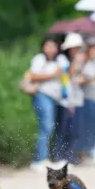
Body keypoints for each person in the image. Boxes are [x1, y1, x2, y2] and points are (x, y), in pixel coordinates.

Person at [25, 36, 68, 170]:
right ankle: (40, 159)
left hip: (56, 97)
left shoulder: (60, 60)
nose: (50, 49)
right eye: (47, 46)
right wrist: (51, 75)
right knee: (46, 126)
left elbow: (65, 75)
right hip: (42, 95)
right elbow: (32, 75)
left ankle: (51, 157)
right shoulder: (39, 59)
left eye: (53, 46)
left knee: (53, 127)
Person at [60, 33, 87, 164]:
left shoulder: (81, 61)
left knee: (76, 130)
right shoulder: (64, 61)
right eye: (74, 48)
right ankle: (64, 157)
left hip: (78, 99)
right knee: (67, 130)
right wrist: (76, 61)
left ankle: (72, 156)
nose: (76, 50)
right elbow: (68, 78)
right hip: (67, 100)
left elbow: (81, 78)